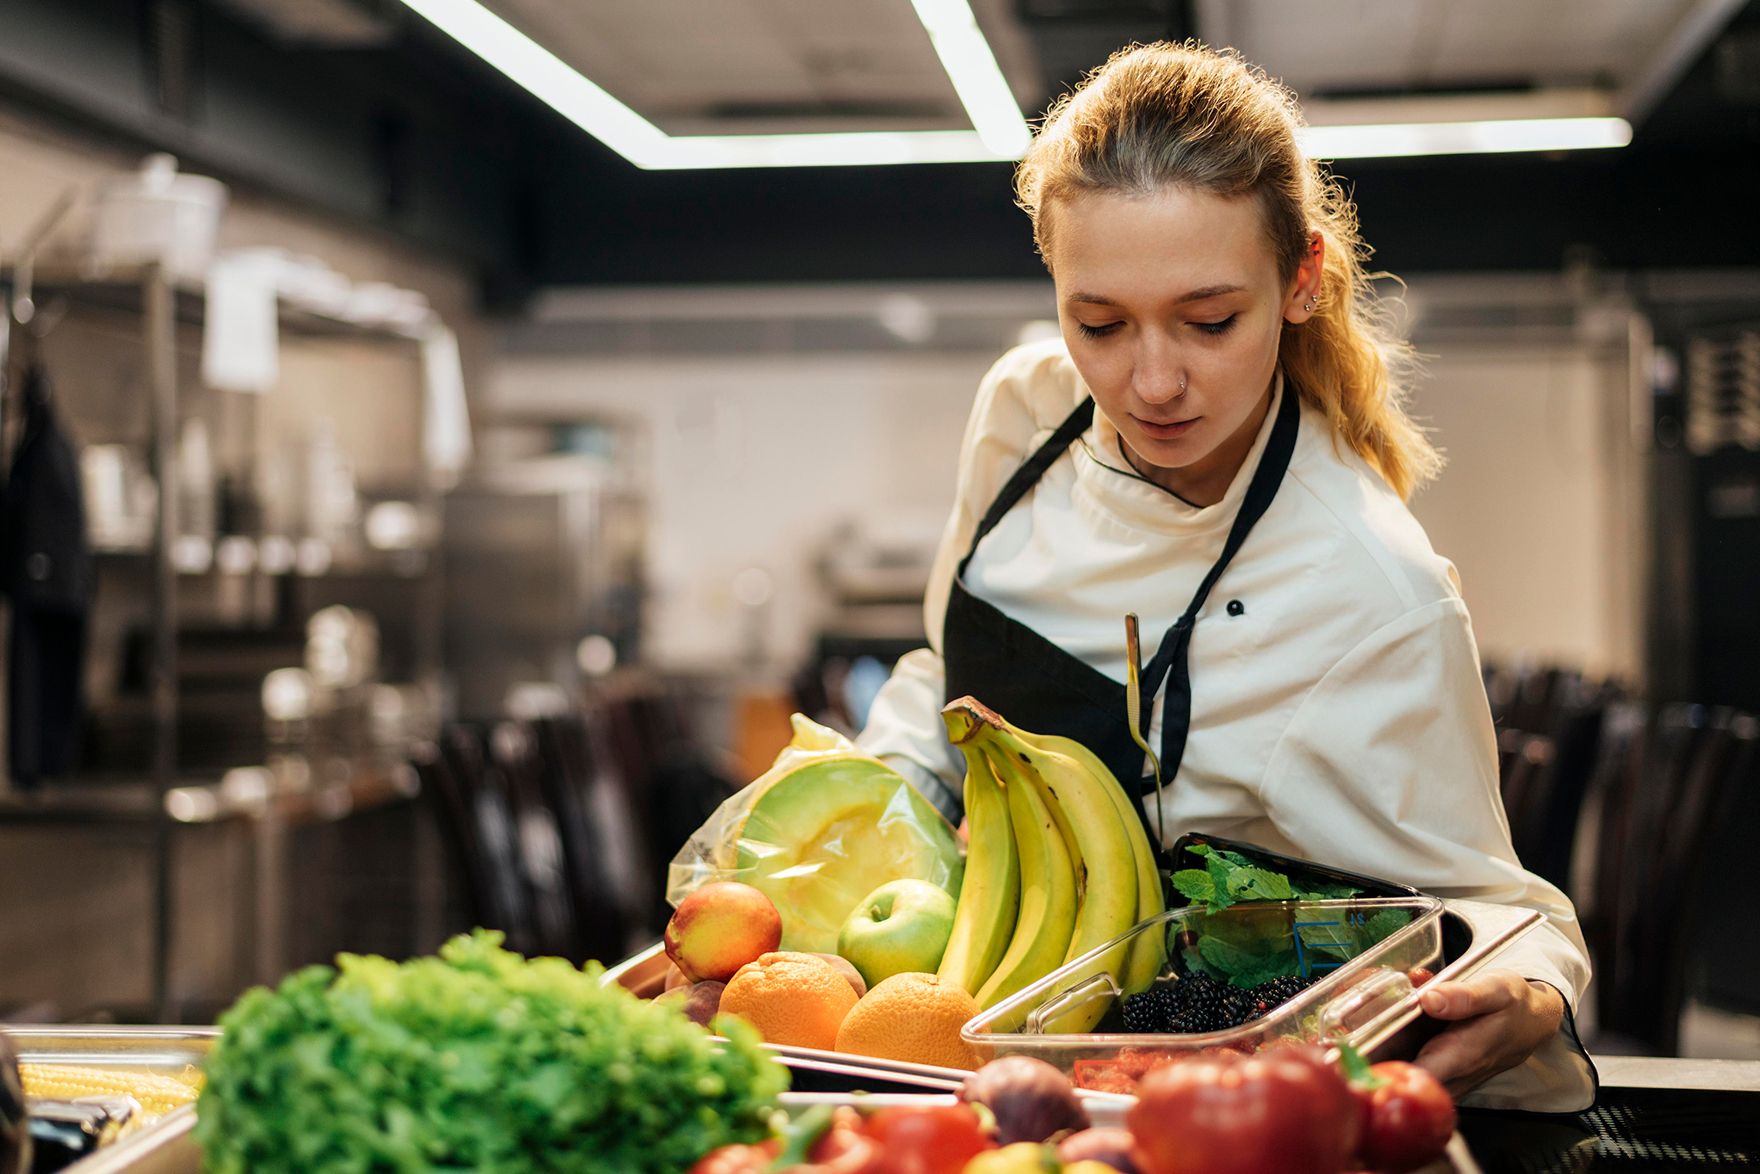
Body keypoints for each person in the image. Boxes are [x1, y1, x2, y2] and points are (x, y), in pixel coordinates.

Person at [856, 42, 1594, 1110]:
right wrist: (854, 821)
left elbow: (1494, 910)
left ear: (1300, 282)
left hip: (1205, 1091)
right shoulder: (1025, 412)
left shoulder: (1372, 591)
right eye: (1096, 322)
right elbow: (942, 671)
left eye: (1208, 321)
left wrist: (1522, 991)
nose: (1149, 381)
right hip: (968, 1037)